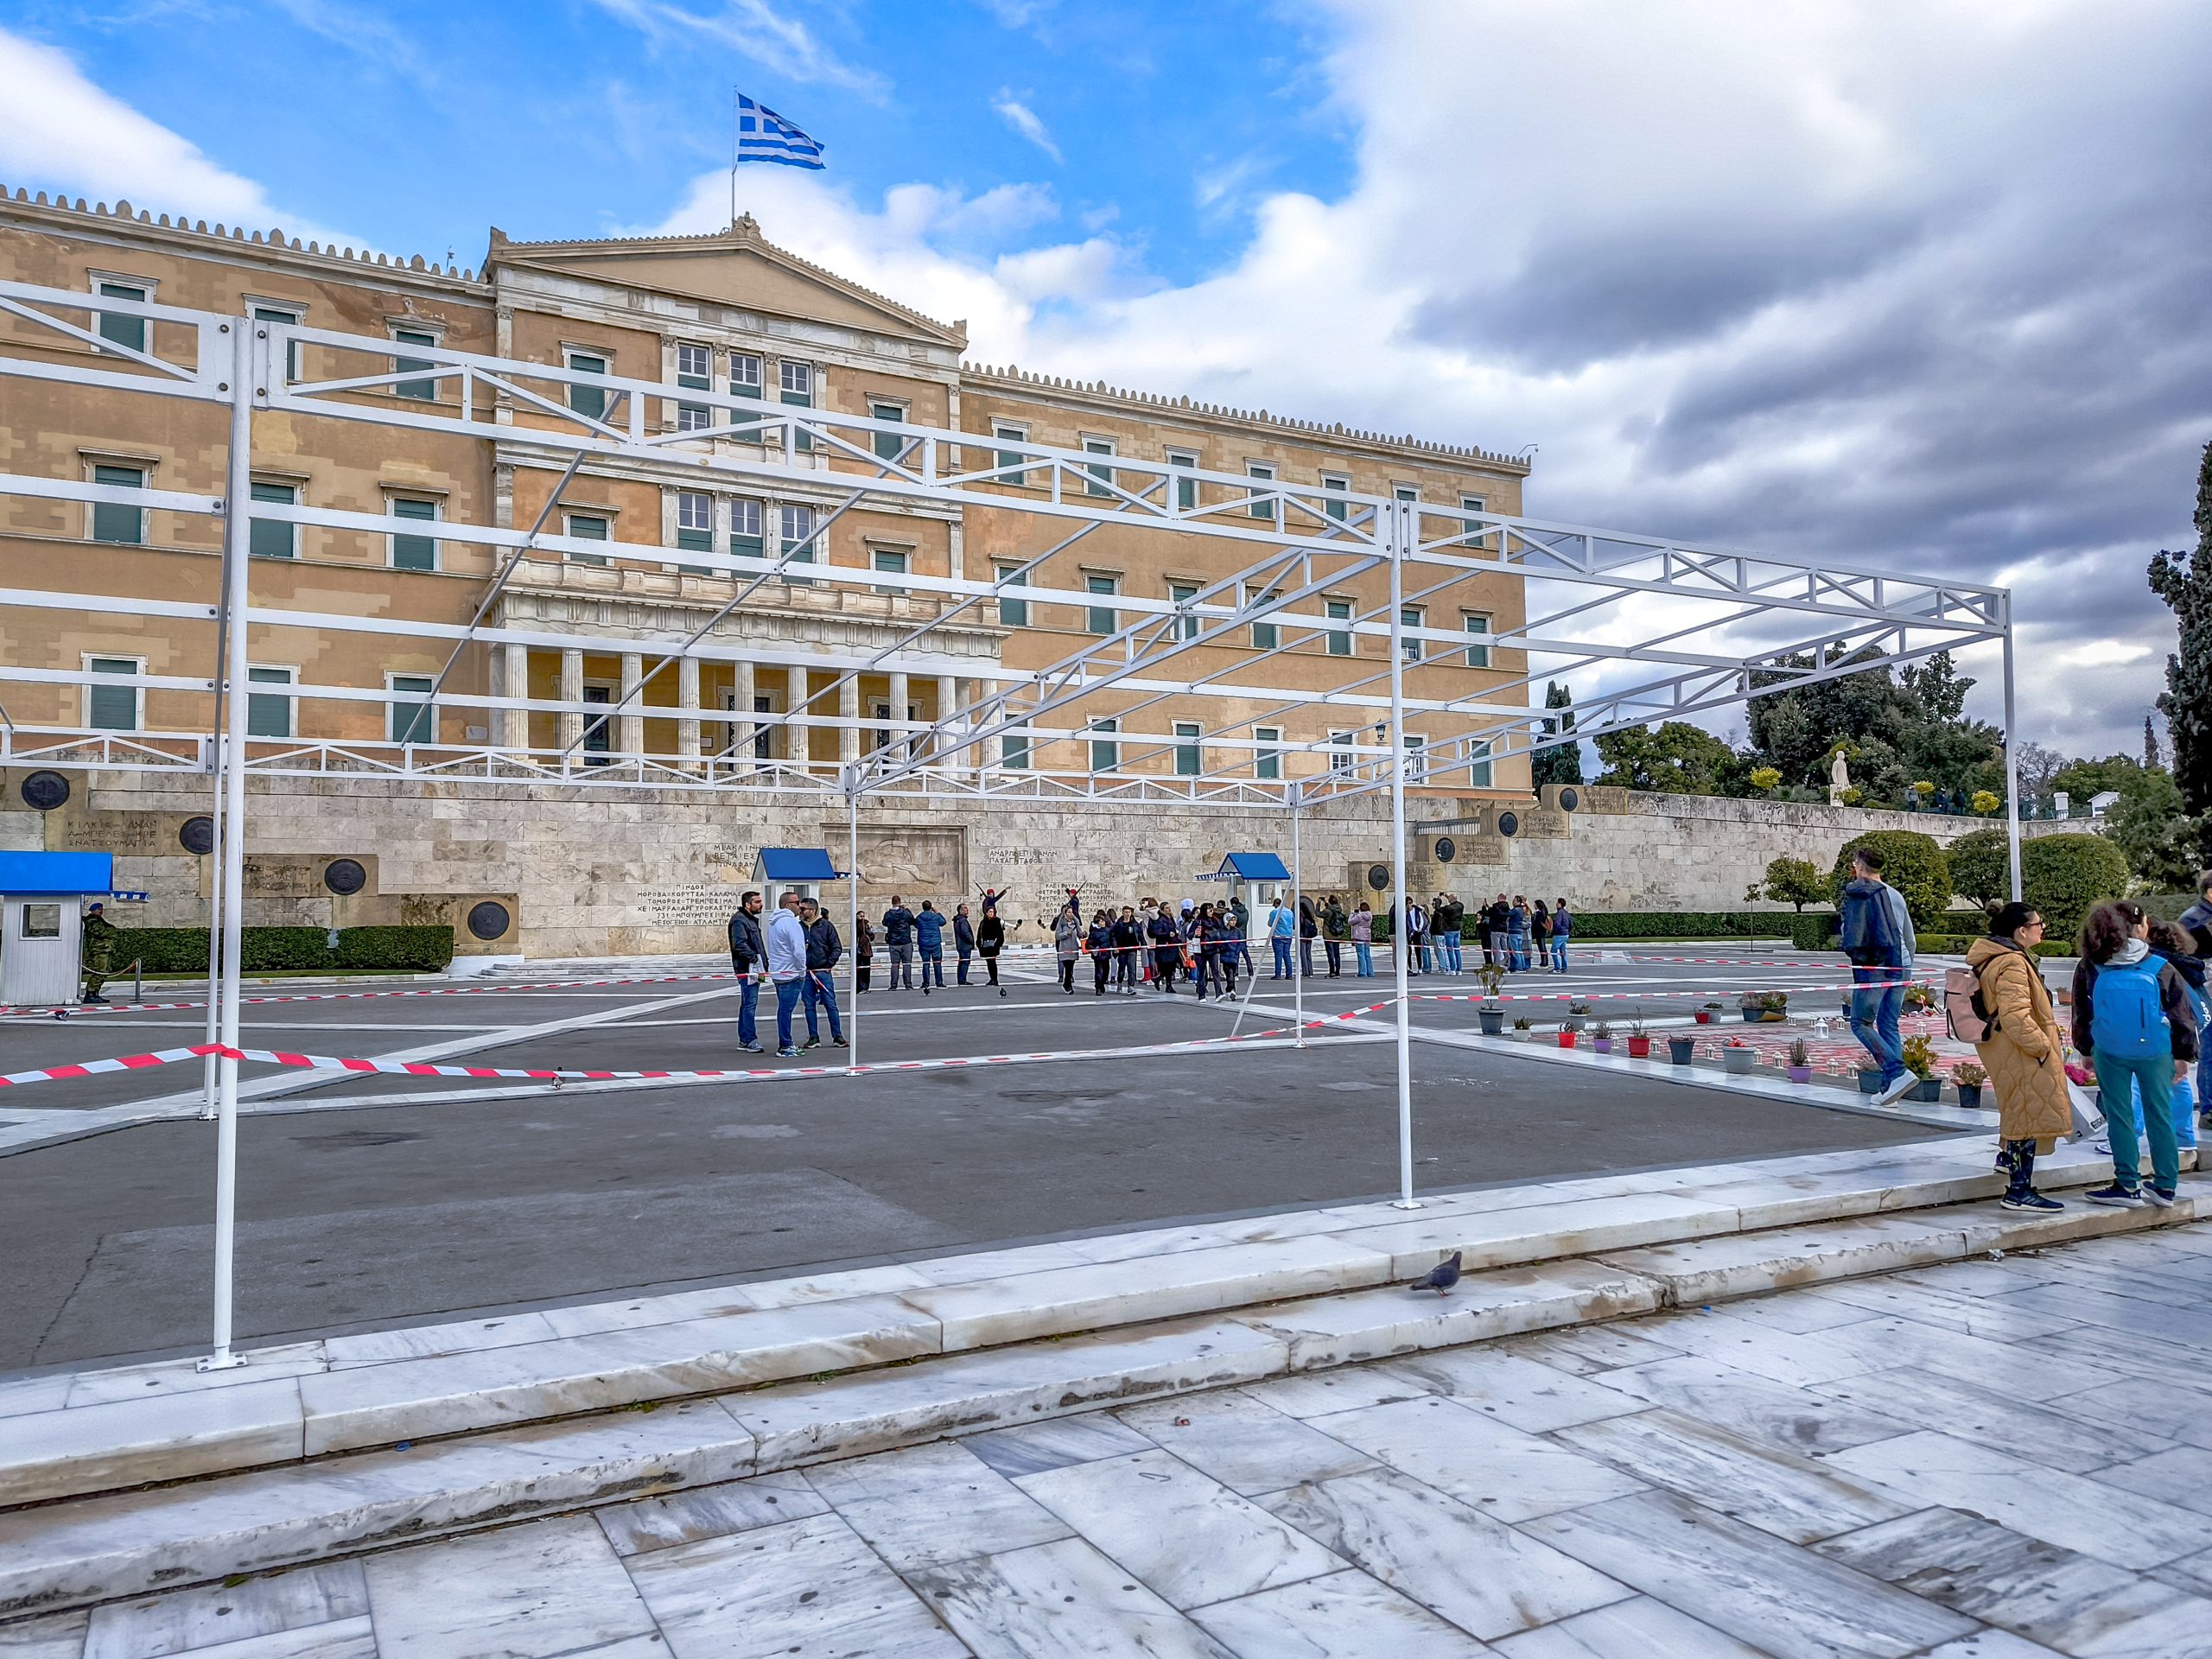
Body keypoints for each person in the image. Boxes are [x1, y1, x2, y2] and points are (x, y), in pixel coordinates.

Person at [2072, 900, 2199, 1208]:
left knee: (2120, 1117)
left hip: (2109, 1050)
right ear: (2139, 927)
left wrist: (2086, 1049)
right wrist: (2183, 1054)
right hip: (2155, 1051)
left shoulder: (2091, 965)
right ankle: (2166, 1186)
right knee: (2160, 1116)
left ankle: (2127, 1184)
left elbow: (2081, 1011)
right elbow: (2181, 1014)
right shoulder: (2159, 965)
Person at [1965, 902, 2069, 1211]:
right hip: (2020, 1048)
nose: (2042, 928)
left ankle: (2009, 1166)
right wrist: (2041, 1045)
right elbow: (2016, 1016)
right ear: (2021, 931)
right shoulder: (2011, 962)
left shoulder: (1998, 956)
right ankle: (2019, 1190)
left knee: (2019, 1109)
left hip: (2005, 1045)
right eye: (2038, 923)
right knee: (2027, 1113)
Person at [1839, 846, 1916, 1104]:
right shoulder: (1895, 895)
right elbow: (1909, 938)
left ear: (1860, 865)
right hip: (1901, 963)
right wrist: (1907, 965)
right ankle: (1891, 1088)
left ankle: (1896, 1072)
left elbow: (1851, 933)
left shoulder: (1858, 894)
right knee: (1889, 1024)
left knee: (1860, 1023)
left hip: (1874, 966)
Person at [2148, 920, 2207, 1150]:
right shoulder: (2190, 966)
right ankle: (2184, 1136)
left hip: (2164, 1028)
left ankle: (2142, 1131)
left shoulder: (2160, 966)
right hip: (2189, 1028)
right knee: (2180, 1082)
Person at [2181, 870, 2212, 1124]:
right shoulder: (2195, 920)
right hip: (2204, 988)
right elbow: (2183, 960)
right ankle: (2209, 1109)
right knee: (2210, 1046)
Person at [798, 898, 847, 1050]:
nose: (800, 911)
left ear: (812, 911)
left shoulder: (826, 926)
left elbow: (836, 947)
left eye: (803, 909)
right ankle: (813, 1037)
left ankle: (837, 1036)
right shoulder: (798, 927)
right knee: (809, 1005)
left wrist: (828, 964)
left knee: (830, 1004)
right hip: (806, 972)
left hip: (822, 971)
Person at [766, 892, 809, 1057]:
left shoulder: (775, 922)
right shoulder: (791, 923)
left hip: (779, 972)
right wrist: (802, 970)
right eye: (797, 902)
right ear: (787, 905)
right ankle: (785, 1044)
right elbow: (798, 950)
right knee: (786, 1010)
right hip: (791, 973)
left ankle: (785, 1042)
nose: (801, 906)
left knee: (784, 1009)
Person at [727, 890, 767, 1053]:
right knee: (749, 1004)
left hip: (754, 968)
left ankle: (745, 1039)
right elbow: (739, 944)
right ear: (748, 904)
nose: (761, 904)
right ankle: (749, 1039)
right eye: (757, 902)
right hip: (748, 969)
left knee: (748, 1004)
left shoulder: (749, 920)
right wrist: (755, 959)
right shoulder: (740, 920)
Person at [79, 900, 122, 1005]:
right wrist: (112, 931)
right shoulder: (92, 921)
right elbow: (101, 932)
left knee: (103, 973)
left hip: (104, 949)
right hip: (98, 950)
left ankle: (95, 993)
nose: (101, 911)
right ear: (93, 910)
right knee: (99, 972)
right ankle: (90, 994)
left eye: (101, 909)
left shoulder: (98, 920)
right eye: (99, 909)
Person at [880, 896, 916, 991]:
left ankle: (893, 985)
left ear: (892, 902)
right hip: (906, 941)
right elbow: (913, 921)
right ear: (900, 902)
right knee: (907, 964)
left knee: (895, 965)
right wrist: (907, 910)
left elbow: (884, 923)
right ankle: (908, 984)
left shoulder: (888, 914)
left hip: (893, 942)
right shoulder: (905, 913)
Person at [1148, 902, 1185, 991]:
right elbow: (1157, 932)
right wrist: (1168, 934)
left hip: (1172, 945)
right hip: (1165, 947)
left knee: (1171, 966)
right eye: (1167, 908)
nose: (1169, 909)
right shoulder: (1160, 919)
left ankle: (1167, 984)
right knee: (1167, 966)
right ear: (1162, 910)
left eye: (1169, 907)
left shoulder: (1171, 918)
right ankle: (1161, 980)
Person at [915, 899, 947, 994]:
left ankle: (925, 982)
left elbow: (916, 925)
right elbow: (943, 922)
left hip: (924, 943)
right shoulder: (935, 916)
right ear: (930, 907)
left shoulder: (919, 917)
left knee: (926, 963)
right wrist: (937, 912)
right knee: (937, 963)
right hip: (935, 943)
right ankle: (939, 982)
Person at [977, 903, 1007, 997]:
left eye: (993, 912)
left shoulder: (996, 921)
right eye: (990, 912)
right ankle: (992, 979)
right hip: (985, 944)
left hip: (993, 944)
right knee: (989, 962)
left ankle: (995, 979)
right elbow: (980, 933)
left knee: (992, 962)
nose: (991, 913)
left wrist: (997, 944)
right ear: (986, 913)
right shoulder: (983, 922)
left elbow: (1000, 935)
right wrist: (979, 944)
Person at [1054, 902, 1083, 994]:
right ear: (1065, 914)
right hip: (1065, 948)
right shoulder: (1061, 923)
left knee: (1070, 968)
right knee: (1068, 967)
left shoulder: (1075, 922)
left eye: (1072, 912)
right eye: (1069, 912)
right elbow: (1057, 936)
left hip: (1073, 947)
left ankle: (1066, 985)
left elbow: (1079, 933)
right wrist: (1066, 933)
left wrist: (1083, 934)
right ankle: (1068, 986)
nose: (1071, 914)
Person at [1087, 908, 1115, 995]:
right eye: (1102, 921)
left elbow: (1112, 939)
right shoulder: (1093, 933)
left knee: (1106, 970)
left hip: (1106, 954)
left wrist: (1115, 947)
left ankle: (1102, 983)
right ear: (1098, 923)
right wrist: (1093, 949)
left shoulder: (1108, 930)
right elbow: (1088, 944)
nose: (1104, 923)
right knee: (1098, 971)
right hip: (1098, 955)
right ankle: (1098, 987)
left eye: (1104, 921)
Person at [1437, 893, 1465, 974]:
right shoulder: (1461, 906)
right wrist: (1448, 897)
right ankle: (1459, 970)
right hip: (1457, 930)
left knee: (1450, 950)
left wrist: (1439, 899)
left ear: (1451, 899)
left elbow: (1438, 908)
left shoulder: (1448, 908)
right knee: (1457, 950)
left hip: (1449, 930)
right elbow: (1454, 901)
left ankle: (1452, 969)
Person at [1269, 895, 1295, 980]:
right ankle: (1289, 974)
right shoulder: (1289, 912)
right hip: (1288, 936)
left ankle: (1278, 974)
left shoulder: (1275, 912)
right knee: (1287, 954)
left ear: (1276, 904)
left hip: (1278, 936)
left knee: (1278, 955)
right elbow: (1293, 923)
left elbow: (1270, 924)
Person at [1484, 893, 1512, 972]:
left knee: (1496, 948)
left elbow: (1489, 913)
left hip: (1495, 929)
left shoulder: (1495, 906)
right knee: (1504, 947)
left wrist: (1486, 907)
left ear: (1499, 898)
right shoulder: (1507, 907)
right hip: (1504, 929)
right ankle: (1507, 960)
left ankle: (1497, 964)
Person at [1322, 893, 1347, 977]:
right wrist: (1326, 903)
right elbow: (1331, 908)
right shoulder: (1339, 909)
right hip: (1337, 934)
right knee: (1337, 954)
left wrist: (1318, 904)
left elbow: (1317, 913)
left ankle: (1332, 971)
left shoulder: (1327, 911)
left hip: (1328, 935)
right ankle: (1338, 972)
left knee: (1330, 954)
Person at [1230, 893, 1255, 976]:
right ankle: (1251, 973)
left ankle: (1235, 973)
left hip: (1235, 935)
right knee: (1246, 955)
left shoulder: (1233, 913)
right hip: (1244, 934)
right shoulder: (1246, 911)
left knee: (1236, 955)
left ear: (1233, 904)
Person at [1298, 893, 1319, 980]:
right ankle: (1310, 971)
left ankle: (1305, 971)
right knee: (1308, 954)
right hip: (1309, 937)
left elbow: (1299, 926)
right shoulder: (1310, 917)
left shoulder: (1301, 917)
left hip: (1303, 936)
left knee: (1303, 954)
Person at [953, 903, 976, 986]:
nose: (967, 910)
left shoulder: (958, 920)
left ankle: (961, 979)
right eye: (965, 908)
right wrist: (971, 940)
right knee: (965, 962)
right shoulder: (962, 920)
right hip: (965, 945)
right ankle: (962, 979)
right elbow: (965, 932)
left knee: (962, 962)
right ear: (960, 910)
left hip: (961, 945)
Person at [1351, 901, 1375, 977]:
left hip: (1359, 936)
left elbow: (1350, 922)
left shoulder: (1359, 916)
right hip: (1367, 936)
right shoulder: (1370, 915)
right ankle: (1370, 972)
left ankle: (1362, 972)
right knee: (1367, 954)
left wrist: (1352, 914)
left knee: (1361, 954)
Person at [1508, 897, 1531, 973]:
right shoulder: (1521, 911)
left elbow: (1507, 914)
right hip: (1519, 933)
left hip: (1514, 932)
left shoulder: (1515, 910)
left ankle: (1519, 967)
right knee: (1519, 951)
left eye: (1515, 901)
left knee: (1516, 951)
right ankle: (1522, 966)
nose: (1513, 902)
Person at [854, 912, 874, 995]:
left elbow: (871, 936)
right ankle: (860, 987)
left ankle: (865, 987)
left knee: (866, 970)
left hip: (866, 950)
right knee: (860, 970)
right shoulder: (858, 924)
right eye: (861, 916)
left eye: (863, 916)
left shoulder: (865, 925)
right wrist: (861, 921)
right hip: (860, 950)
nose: (862, 918)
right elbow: (859, 930)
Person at [1550, 899, 1572, 972]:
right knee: (1562, 951)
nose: (1556, 904)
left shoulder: (1559, 913)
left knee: (1553, 951)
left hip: (1559, 934)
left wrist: (1553, 931)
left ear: (1560, 904)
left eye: (1557, 902)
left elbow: (1557, 923)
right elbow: (1571, 923)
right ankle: (1564, 967)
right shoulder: (1566, 913)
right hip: (1565, 934)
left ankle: (1557, 967)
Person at [1531, 899, 1552, 972]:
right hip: (1542, 932)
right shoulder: (1543, 913)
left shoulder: (1539, 913)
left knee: (1542, 948)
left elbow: (1537, 923)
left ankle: (1544, 963)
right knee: (1542, 948)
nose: (1534, 906)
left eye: (1535, 904)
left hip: (1539, 932)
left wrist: (1533, 922)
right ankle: (1544, 962)